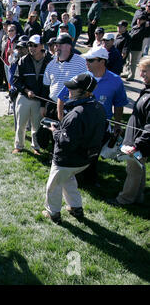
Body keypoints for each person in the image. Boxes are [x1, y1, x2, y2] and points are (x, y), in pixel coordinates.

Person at [57, 46, 128, 186]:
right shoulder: (82, 78)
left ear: (102, 61)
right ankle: (76, 178)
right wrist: (61, 118)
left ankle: (90, 178)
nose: (86, 63)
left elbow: (119, 104)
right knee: (78, 151)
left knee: (93, 153)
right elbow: (61, 97)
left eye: (90, 60)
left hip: (101, 126)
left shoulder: (116, 81)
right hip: (80, 124)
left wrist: (117, 125)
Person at [43, 74, 106, 224]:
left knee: (54, 185)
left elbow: (65, 142)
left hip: (67, 160)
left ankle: (53, 213)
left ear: (85, 92)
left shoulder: (76, 114)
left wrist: (55, 131)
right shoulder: (98, 107)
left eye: (73, 88)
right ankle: (75, 207)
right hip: (85, 159)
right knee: (69, 180)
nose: (69, 90)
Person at [109, 57, 150, 206]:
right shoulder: (147, 90)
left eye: (145, 71)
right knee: (139, 168)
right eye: (141, 71)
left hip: (140, 143)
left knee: (133, 170)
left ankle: (125, 199)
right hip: (138, 141)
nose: (141, 75)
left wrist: (137, 145)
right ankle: (138, 197)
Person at [12, 35, 53, 155]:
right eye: (29, 45)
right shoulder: (23, 60)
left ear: (42, 46)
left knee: (37, 125)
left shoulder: (49, 61)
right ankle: (19, 145)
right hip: (24, 97)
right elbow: (16, 80)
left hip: (40, 100)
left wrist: (44, 103)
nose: (31, 48)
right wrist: (26, 90)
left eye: (35, 45)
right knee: (21, 124)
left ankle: (36, 147)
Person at [122, 13, 150, 81]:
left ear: (144, 21)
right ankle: (127, 72)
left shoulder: (143, 28)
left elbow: (133, 35)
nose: (138, 21)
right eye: (138, 19)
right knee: (128, 61)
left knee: (133, 62)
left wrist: (129, 35)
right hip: (130, 46)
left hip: (136, 47)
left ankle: (132, 76)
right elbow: (130, 33)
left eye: (140, 20)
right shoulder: (135, 26)